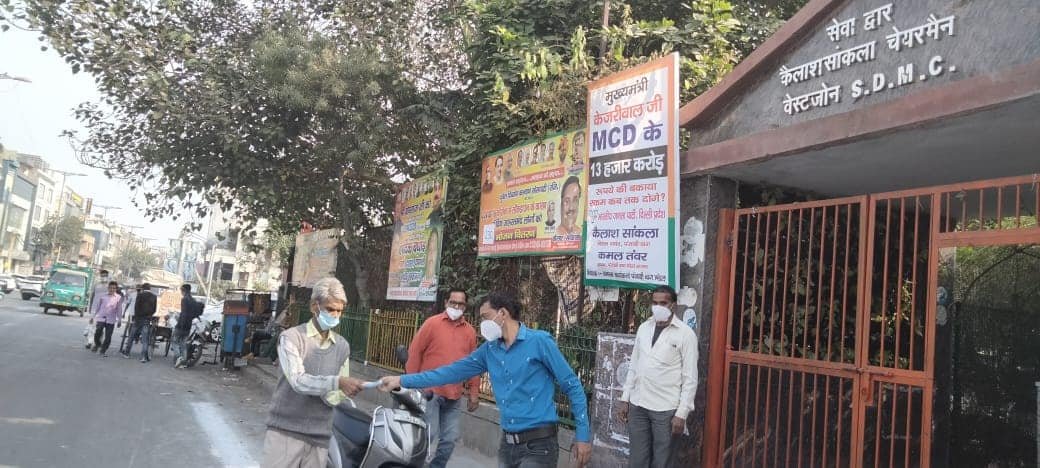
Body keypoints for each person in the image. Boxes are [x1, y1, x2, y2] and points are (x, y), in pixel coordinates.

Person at [380, 291, 592, 468]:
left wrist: (582, 435)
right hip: (507, 445)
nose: (482, 323)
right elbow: (448, 372)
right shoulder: (489, 351)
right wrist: (402, 381)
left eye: (485, 316)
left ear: (502, 313)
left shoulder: (539, 342)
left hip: (539, 445)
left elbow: (573, 386)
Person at [262, 277, 364, 468]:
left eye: (339, 311)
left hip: (320, 437)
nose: (335, 315)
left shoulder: (342, 346)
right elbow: (298, 381)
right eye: (330, 309)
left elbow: (336, 394)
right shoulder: (291, 338)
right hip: (285, 432)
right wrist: (337, 383)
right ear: (314, 307)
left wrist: (346, 389)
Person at [617, 285, 698, 468]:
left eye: (663, 303)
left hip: (666, 410)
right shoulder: (644, 328)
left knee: (662, 462)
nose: (658, 307)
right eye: (655, 303)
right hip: (638, 405)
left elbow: (690, 379)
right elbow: (634, 366)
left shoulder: (686, 335)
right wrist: (625, 398)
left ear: (673, 306)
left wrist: (682, 414)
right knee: (637, 461)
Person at [405, 288, 481, 468]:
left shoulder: (470, 332)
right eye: (453, 302)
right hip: (429, 392)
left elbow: (474, 363)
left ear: (465, 306)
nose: (456, 307)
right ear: (446, 302)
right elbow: (415, 353)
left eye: (460, 304)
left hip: (454, 395)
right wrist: (410, 383)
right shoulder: (432, 324)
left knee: (449, 439)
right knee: (427, 435)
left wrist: (474, 392)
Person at [121, 283, 157, 362]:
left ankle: (127, 353)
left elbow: (136, 307)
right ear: (150, 288)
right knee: (145, 339)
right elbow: (154, 309)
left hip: (138, 319)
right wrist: (149, 316)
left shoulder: (140, 295)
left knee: (131, 336)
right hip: (147, 320)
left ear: (143, 288)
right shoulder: (154, 296)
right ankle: (143, 357)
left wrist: (137, 317)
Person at [89, 281, 124, 357]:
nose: (112, 289)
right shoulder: (103, 296)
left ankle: (103, 350)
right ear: (108, 288)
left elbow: (119, 309)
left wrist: (119, 320)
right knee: (98, 332)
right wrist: (92, 317)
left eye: (114, 288)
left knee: (108, 336)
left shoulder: (118, 298)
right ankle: (97, 344)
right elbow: (97, 307)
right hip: (101, 318)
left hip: (111, 319)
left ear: (116, 289)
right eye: (110, 288)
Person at [173, 284, 202, 368]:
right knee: (183, 344)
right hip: (188, 326)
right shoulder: (193, 300)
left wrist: (180, 324)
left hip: (182, 325)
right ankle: (183, 363)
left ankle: (179, 358)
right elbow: (194, 314)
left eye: (181, 290)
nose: (181, 292)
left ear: (184, 290)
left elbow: (184, 313)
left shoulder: (184, 299)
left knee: (174, 342)